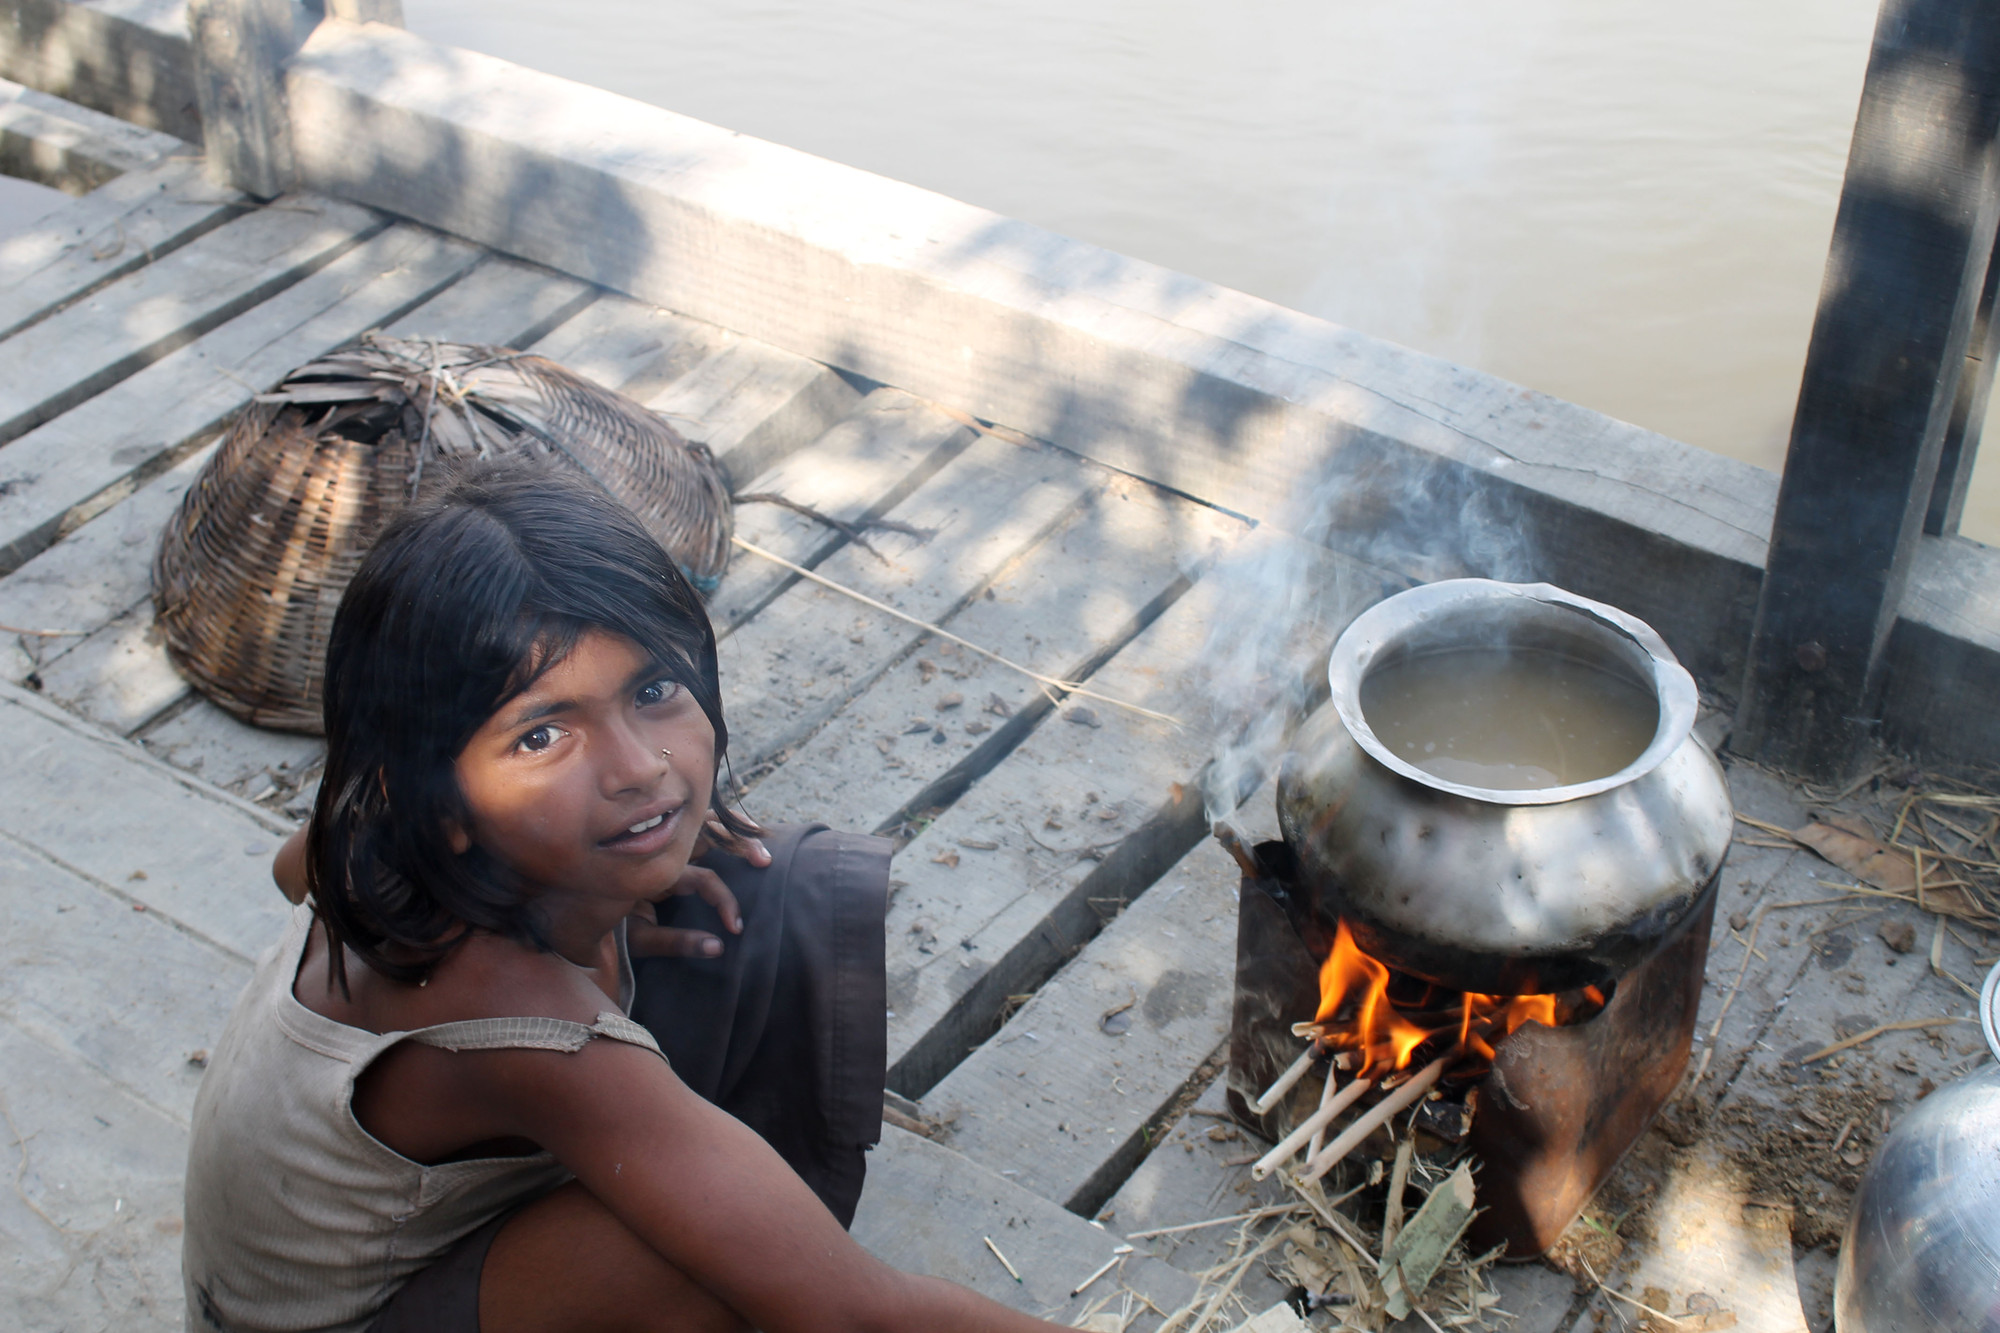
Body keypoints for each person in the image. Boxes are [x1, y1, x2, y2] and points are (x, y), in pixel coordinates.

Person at [182, 460, 1074, 1332]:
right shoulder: (524, 1024)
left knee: (772, 883)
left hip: (418, 1250)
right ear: (432, 802)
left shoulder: (375, 837)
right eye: (541, 735)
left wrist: (580, 889)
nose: (640, 767)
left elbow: (292, 863)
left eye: (653, 689)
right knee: (698, 1264)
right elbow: (856, 1314)